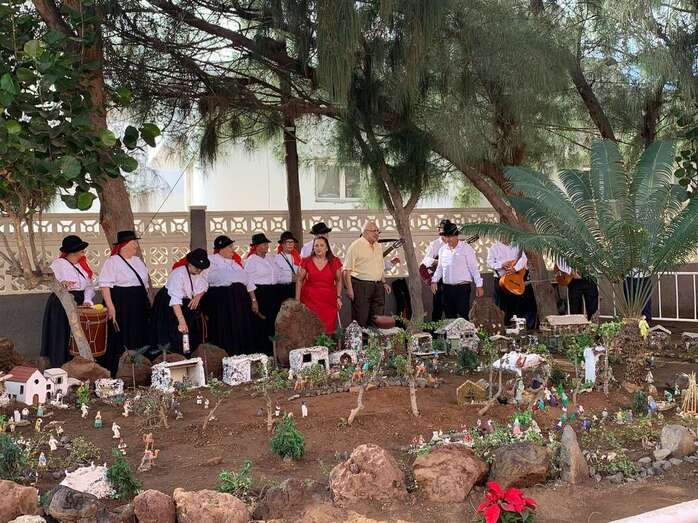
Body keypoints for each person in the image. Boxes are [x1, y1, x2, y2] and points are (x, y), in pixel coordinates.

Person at [99, 230, 151, 375]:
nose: (136, 245)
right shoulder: (112, 262)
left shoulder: (138, 261)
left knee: (139, 331)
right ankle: (120, 368)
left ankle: (140, 368)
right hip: (121, 302)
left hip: (138, 302)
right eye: (133, 242)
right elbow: (105, 285)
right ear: (124, 245)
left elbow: (144, 284)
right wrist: (110, 307)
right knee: (122, 333)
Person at [40, 235, 96, 368]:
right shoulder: (58, 264)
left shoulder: (82, 266)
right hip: (61, 303)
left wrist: (87, 300)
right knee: (61, 333)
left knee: (78, 336)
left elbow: (89, 285)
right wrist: (62, 284)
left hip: (79, 302)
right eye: (81, 250)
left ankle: (77, 365)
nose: (83, 252)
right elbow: (49, 282)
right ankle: (59, 365)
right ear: (73, 252)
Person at [203, 235, 258, 355]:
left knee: (240, 327)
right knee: (225, 328)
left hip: (240, 301)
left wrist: (254, 300)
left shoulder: (236, 263)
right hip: (222, 301)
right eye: (230, 247)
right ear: (221, 249)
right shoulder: (211, 260)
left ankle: (242, 353)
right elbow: (204, 280)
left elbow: (248, 281)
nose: (233, 249)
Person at [151, 248, 210, 355]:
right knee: (175, 332)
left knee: (190, 334)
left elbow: (204, 285)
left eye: (201, 268)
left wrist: (198, 296)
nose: (199, 270)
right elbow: (175, 300)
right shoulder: (178, 274)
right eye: (197, 267)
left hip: (187, 303)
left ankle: (189, 355)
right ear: (190, 264)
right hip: (170, 304)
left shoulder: (201, 271)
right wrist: (181, 321)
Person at [430, 222, 484, 319]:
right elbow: (440, 268)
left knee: (464, 315)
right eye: (446, 236)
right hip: (446, 289)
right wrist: (434, 281)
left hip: (462, 289)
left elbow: (474, 268)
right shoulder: (442, 250)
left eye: (450, 236)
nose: (448, 239)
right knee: (449, 317)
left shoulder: (466, 248)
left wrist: (479, 285)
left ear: (456, 235)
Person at [343, 221, 391, 327]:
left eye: (378, 231)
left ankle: (374, 337)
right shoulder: (355, 246)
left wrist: (384, 283)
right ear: (365, 232)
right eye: (374, 231)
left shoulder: (378, 246)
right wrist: (350, 289)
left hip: (378, 286)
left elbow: (380, 266)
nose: (377, 233)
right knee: (361, 317)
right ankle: (361, 337)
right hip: (361, 286)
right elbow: (347, 270)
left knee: (378, 318)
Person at [296, 237, 343, 333]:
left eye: (322, 245)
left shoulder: (334, 262)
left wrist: (338, 297)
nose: (318, 248)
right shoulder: (306, 261)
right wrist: (297, 300)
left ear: (327, 248)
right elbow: (299, 280)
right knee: (310, 329)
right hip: (310, 301)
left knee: (328, 329)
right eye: (316, 246)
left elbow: (339, 280)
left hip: (328, 302)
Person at [486, 240, 537, 329]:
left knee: (517, 306)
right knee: (501, 307)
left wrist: (515, 268)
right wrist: (501, 264)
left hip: (516, 280)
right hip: (501, 281)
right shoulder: (494, 247)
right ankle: (502, 329)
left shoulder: (518, 245)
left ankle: (518, 329)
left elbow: (524, 258)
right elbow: (489, 263)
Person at [244, 233, 279, 356]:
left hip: (272, 292)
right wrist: (254, 300)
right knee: (261, 323)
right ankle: (262, 353)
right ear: (257, 246)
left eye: (267, 244)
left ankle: (273, 351)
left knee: (272, 323)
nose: (267, 246)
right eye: (264, 244)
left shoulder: (270, 258)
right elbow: (248, 281)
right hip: (260, 293)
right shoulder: (251, 260)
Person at [420, 219, 451, 320]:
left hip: (451, 278)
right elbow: (426, 260)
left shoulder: (454, 243)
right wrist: (437, 262)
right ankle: (435, 329)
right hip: (438, 279)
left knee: (450, 307)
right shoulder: (435, 244)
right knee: (438, 306)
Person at [274, 231, 301, 303]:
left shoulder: (296, 257)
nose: (290, 244)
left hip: (296, 289)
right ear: (282, 244)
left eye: (292, 242)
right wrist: (291, 278)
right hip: (283, 290)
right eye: (287, 242)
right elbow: (276, 278)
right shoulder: (277, 259)